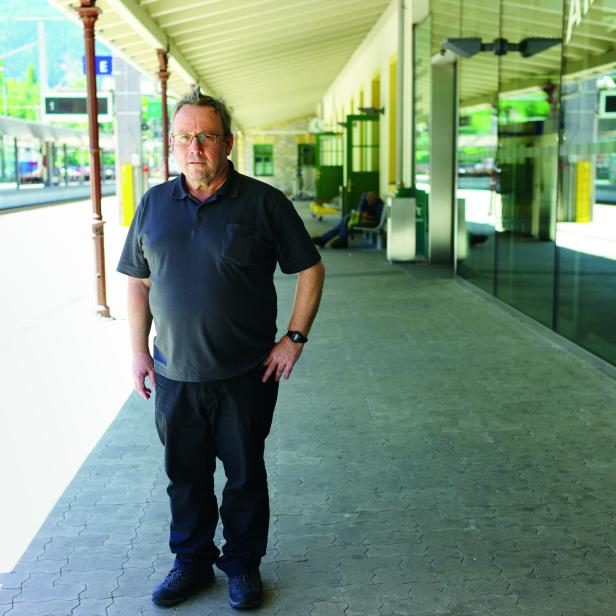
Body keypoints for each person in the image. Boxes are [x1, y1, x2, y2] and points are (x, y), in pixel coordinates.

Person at [117, 87, 325, 610]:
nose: (195, 147)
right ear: (172, 143)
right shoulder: (154, 203)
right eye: (185, 137)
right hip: (174, 375)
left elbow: (310, 268)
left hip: (244, 375)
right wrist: (139, 352)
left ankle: (242, 566)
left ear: (227, 142)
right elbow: (138, 282)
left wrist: (293, 339)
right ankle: (191, 563)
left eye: (206, 136)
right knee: (185, 479)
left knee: (244, 476)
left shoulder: (262, 202)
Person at [312, 191, 384, 249]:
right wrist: (362, 214)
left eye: (371, 202)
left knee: (346, 218)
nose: (369, 204)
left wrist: (366, 216)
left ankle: (331, 239)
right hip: (362, 217)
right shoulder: (365, 197)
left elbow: (376, 219)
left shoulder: (379, 206)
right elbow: (360, 210)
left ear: (375, 200)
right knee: (344, 221)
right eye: (368, 201)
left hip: (372, 221)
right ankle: (336, 240)